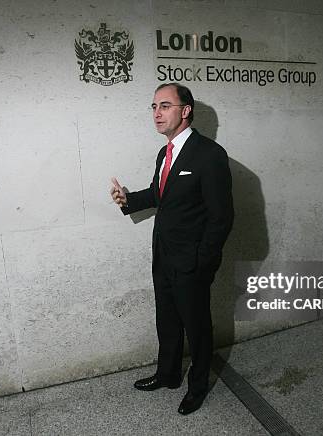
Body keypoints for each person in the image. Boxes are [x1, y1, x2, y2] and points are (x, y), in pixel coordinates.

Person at [110, 83, 233, 415]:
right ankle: (168, 375)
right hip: (163, 255)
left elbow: (222, 218)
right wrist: (128, 199)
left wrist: (203, 262)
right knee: (166, 319)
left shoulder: (210, 155)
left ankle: (197, 386)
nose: (157, 113)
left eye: (165, 105)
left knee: (197, 327)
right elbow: (158, 194)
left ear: (185, 110)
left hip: (191, 262)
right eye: (153, 107)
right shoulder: (164, 153)